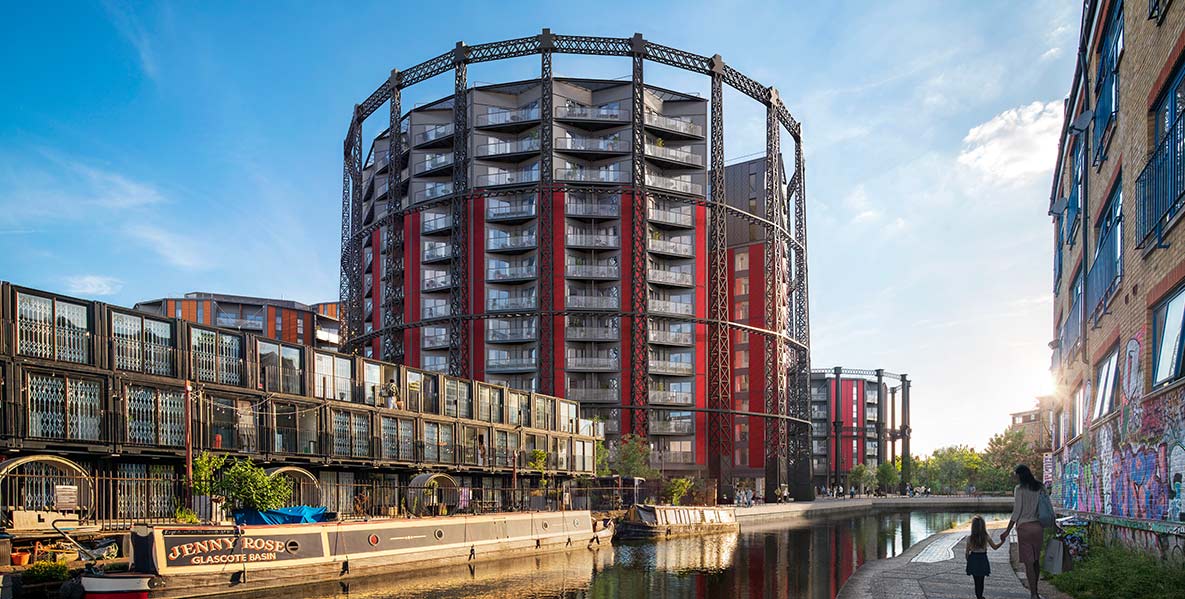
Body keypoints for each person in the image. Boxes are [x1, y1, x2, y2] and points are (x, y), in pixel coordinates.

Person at [998, 464, 1045, 599]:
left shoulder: (1019, 489)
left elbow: (1017, 511)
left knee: (1028, 562)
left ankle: (1033, 593)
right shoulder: (1040, 487)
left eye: (1016, 476)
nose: (1016, 478)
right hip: (1038, 527)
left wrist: (1007, 531)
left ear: (1020, 475)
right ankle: (1036, 590)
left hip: (1024, 528)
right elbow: (1047, 506)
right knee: (1036, 561)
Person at [965, 515, 1002, 599]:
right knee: (981, 581)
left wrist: (969, 561)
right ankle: (980, 596)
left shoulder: (970, 538)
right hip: (983, 559)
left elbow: (967, 553)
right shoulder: (986, 537)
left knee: (976, 581)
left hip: (973, 559)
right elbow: (995, 547)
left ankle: (978, 596)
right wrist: (1002, 542)